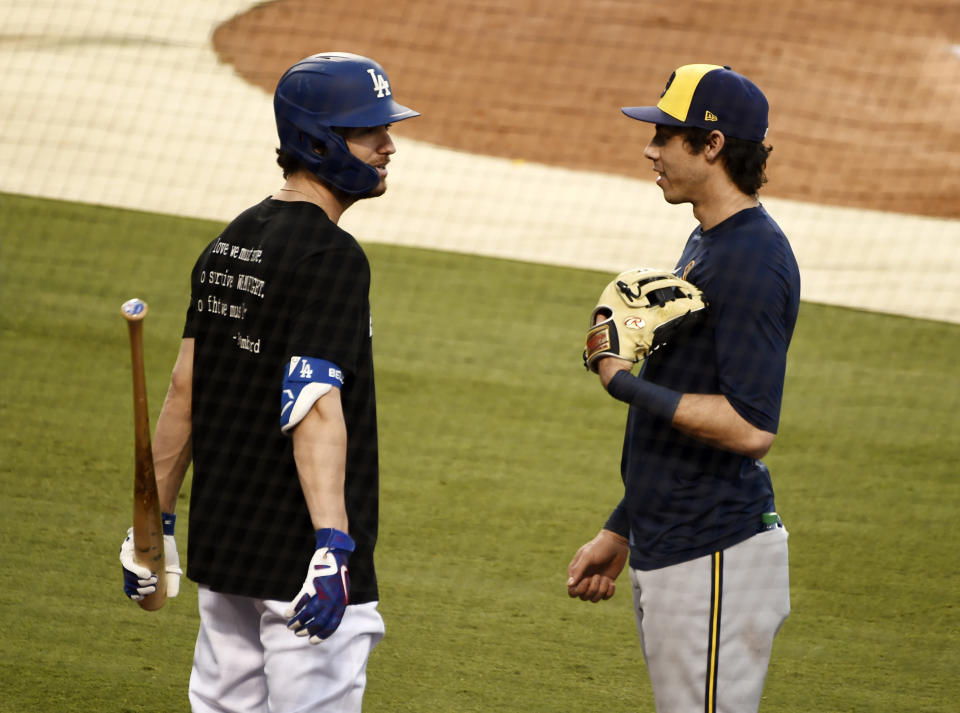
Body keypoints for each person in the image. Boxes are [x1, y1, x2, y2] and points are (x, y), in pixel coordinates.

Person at [118, 52, 419, 712]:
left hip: (228, 549)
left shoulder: (229, 243)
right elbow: (312, 402)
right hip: (301, 566)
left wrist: (153, 522)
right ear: (321, 141)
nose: (390, 145)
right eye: (372, 132)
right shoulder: (331, 258)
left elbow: (184, 390)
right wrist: (333, 545)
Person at [566, 64, 800, 713]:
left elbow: (752, 427)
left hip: (715, 548)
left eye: (667, 134)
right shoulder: (708, 238)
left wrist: (623, 383)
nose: (651, 148)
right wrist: (622, 527)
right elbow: (690, 390)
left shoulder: (753, 261)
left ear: (713, 145)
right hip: (675, 539)